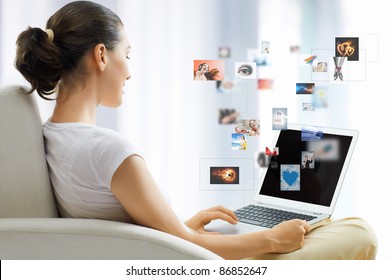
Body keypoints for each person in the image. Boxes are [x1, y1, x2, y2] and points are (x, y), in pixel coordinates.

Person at [15, 1, 377, 260]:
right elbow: (190, 247)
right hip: (198, 265)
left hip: (168, 254)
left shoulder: (51, 137)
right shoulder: (109, 150)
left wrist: (182, 224)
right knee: (357, 230)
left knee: (326, 227)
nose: (129, 70)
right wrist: (272, 240)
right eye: (128, 53)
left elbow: (132, 228)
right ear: (101, 56)